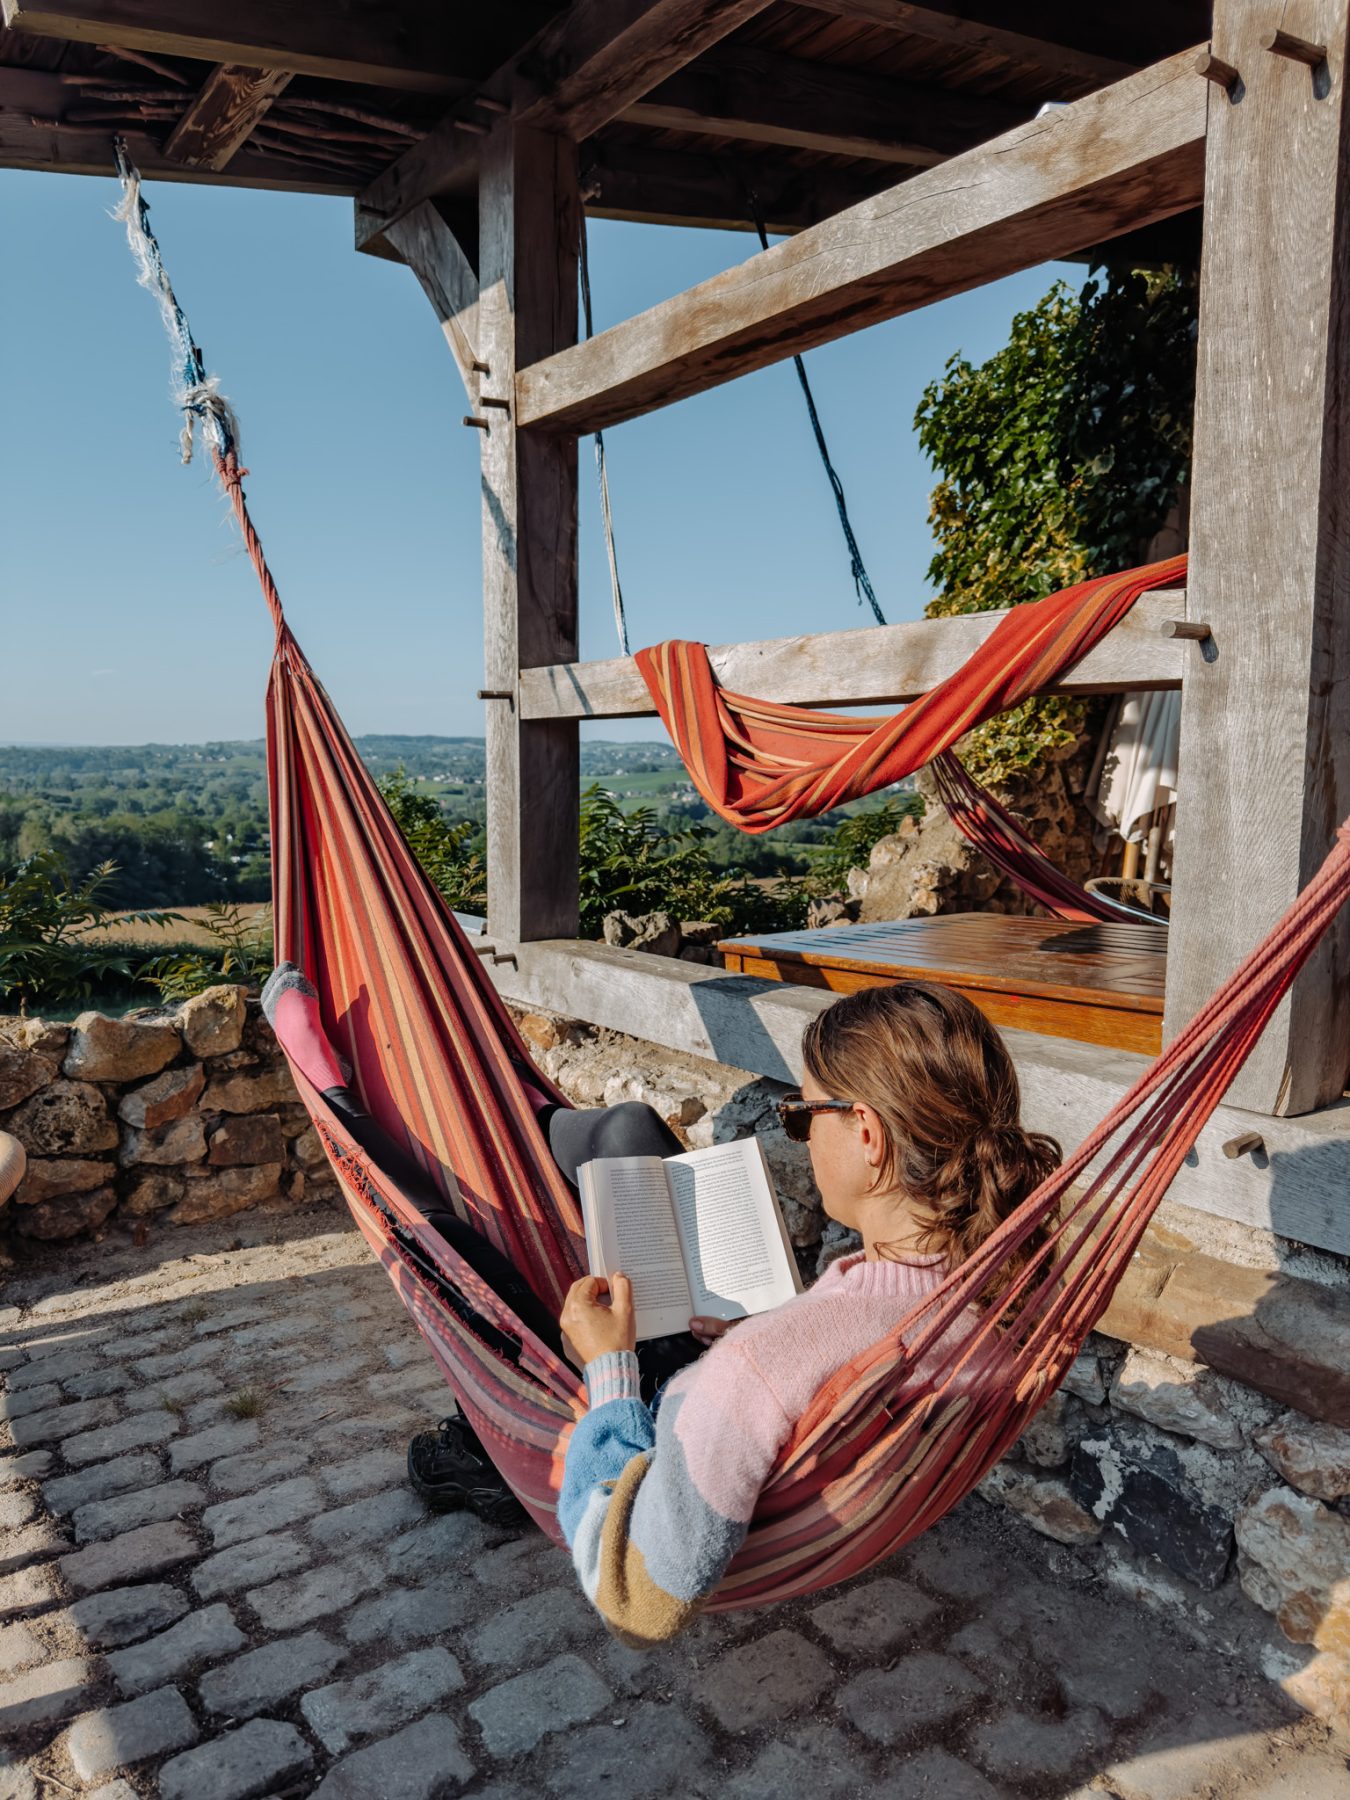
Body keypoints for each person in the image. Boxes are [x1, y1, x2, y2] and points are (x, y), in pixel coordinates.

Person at [555, 980, 1060, 1645]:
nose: (801, 1136)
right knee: (623, 1134)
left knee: (490, 1238)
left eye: (804, 1114)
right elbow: (826, 1358)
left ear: (869, 1135)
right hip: (768, 1394)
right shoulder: (1010, 1292)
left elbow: (637, 1599)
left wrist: (611, 1373)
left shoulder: (753, 1368)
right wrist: (766, 1335)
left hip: (675, 1439)